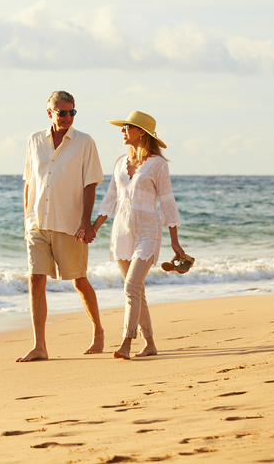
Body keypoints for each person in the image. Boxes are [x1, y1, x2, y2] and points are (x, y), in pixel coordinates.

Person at [89, 111, 187, 360]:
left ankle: (126, 341)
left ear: (141, 132)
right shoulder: (120, 162)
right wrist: (94, 227)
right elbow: (111, 196)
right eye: (122, 127)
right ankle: (150, 343)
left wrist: (175, 242)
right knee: (136, 290)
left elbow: (167, 201)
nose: (122, 131)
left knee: (132, 285)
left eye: (127, 127)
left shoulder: (158, 165)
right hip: (122, 231)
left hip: (147, 231)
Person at [17, 91, 105, 362]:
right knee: (35, 280)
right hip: (37, 223)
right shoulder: (34, 140)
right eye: (62, 112)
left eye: (72, 112)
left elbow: (90, 183)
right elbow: (29, 182)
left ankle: (98, 331)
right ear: (50, 113)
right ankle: (40, 346)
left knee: (79, 281)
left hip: (70, 225)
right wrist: (26, 220)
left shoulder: (84, 142)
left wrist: (86, 222)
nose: (68, 117)